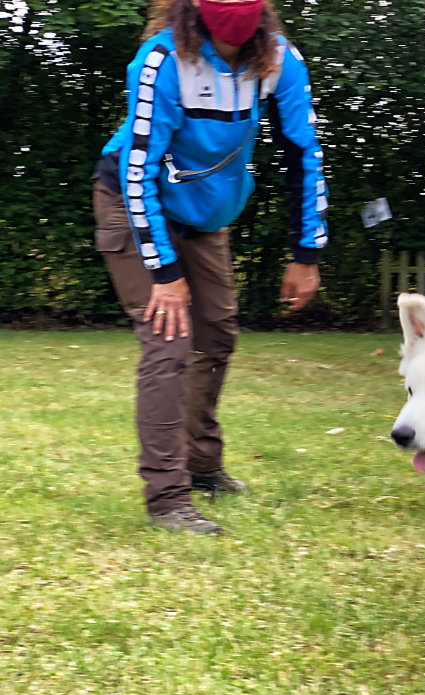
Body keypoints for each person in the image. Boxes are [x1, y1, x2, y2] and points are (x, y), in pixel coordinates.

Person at [92, 0, 327, 534]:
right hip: (134, 204)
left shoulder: (280, 62)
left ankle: (201, 465)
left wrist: (306, 253)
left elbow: (305, 153)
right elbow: (138, 169)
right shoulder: (161, 61)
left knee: (216, 334)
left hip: (205, 216)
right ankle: (168, 498)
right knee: (168, 338)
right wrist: (164, 273)